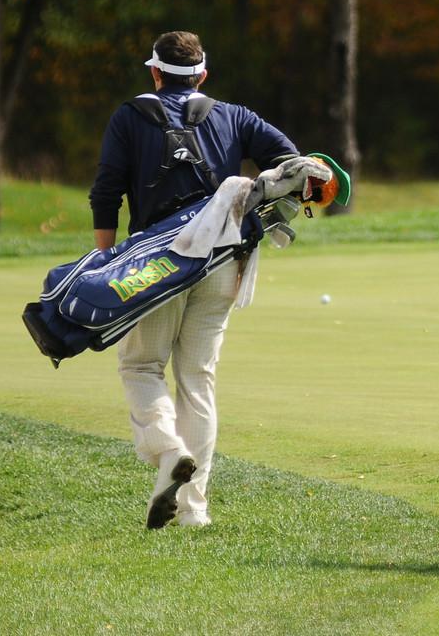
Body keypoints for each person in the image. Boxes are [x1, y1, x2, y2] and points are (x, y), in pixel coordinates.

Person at [89, 31, 300, 529]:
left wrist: (105, 259)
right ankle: (193, 512)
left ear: (155, 73)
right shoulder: (234, 116)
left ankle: (168, 451)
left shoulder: (129, 116)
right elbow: (289, 160)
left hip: (156, 266)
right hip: (222, 261)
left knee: (141, 366)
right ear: (202, 75)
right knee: (197, 380)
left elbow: (107, 191)